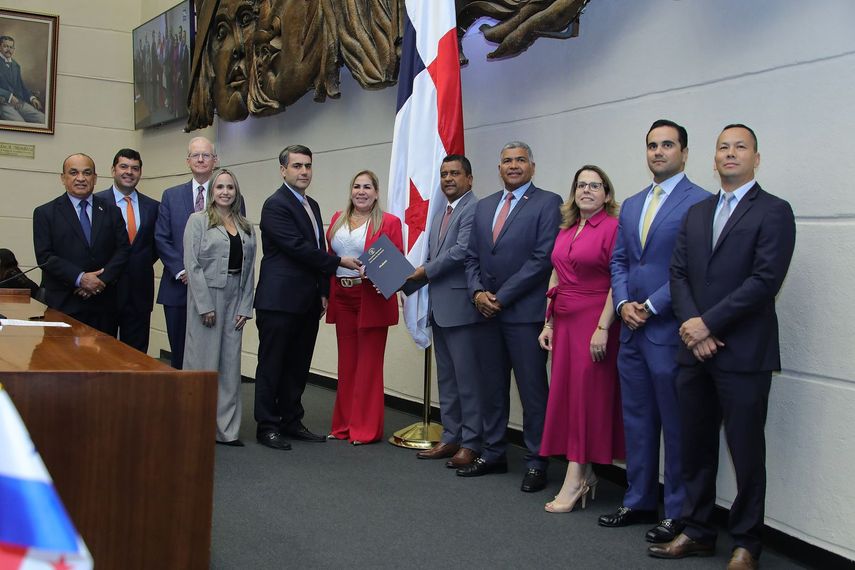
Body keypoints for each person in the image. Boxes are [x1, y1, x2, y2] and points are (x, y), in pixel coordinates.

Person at [648, 125, 796, 570]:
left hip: (743, 353)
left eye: (740, 148)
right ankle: (697, 531)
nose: (730, 154)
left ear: (756, 158)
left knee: (747, 451)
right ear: (712, 159)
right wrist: (695, 326)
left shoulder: (774, 211)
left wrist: (706, 324)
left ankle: (747, 543)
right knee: (694, 446)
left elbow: (765, 281)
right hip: (693, 351)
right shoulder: (697, 212)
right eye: (723, 148)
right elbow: (678, 274)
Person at [599, 120, 710, 541]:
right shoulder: (630, 203)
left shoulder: (700, 203)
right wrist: (625, 303)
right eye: (652, 145)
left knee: (677, 424)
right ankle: (639, 500)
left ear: (684, 152)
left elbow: (694, 268)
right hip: (630, 331)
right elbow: (620, 261)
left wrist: (649, 305)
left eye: (667, 145)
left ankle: (678, 511)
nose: (658, 152)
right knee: (638, 420)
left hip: (669, 331)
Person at [461, 141, 562, 492]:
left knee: (533, 391)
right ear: (499, 168)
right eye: (507, 161)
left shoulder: (549, 203)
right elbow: (471, 256)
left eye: (521, 160)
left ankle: (537, 461)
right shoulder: (486, 205)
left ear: (532, 166)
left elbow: (541, 259)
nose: (514, 166)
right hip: (484, 314)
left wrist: (500, 298)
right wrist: (476, 294)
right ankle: (493, 453)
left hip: (524, 315)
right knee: (492, 388)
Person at [254, 145, 361, 451]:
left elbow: (318, 248)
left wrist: (324, 291)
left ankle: (291, 420)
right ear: (283, 170)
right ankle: (267, 425)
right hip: (278, 301)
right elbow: (297, 247)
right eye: (297, 166)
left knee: (298, 365)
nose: (303, 172)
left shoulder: (311, 204)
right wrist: (339, 263)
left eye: (308, 166)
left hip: (307, 301)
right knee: (272, 364)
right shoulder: (275, 205)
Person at [538, 165, 623, 512]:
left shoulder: (614, 228)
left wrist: (603, 326)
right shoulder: (567, 229)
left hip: (594, 322)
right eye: (581, 185)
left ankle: (574, 478)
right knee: (569, 397)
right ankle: (585, 472)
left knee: (587, 400)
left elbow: (619, 279)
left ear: (606, 193)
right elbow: (556, 272)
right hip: (565, 321)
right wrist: (549, 324)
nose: (587, 190)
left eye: (595, 185)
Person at [409, 155, 484, 468]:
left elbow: (461, 251)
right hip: (440, 309)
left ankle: (471, 442)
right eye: (444, 174)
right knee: (448, 380)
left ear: (469, 178)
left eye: (455, 173)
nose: (448, 179)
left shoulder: (474, 208)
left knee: (468, 381)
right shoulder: (441, 211)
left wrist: (421, 272)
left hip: (462, 309)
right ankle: (450, 436)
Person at [325, 170, 403, 445]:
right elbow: (329, 258)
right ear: (351, 191)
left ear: (376, 192)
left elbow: (396, 263)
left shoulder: (389, 222)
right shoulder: (337, 220)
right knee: (346, 365)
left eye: (367, 187)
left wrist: (386, 280)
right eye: (356, 186)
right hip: (342, 298)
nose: (361, 191)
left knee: (369, 366)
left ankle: (365, 429)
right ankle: (344, 425)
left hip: (370, 298)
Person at [183, 169, 256, 447]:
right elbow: (193, 264)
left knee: (229, 366)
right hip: (207, 296)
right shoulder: (198, 221)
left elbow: (250, 271)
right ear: (212, 190)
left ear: (236, 192)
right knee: (202, 364)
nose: (225, 192)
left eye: (230, 187)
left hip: (235, 298)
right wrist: (204, 305)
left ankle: (226, 431)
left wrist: (245, 307)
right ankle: (195, 428)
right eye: (220, 187)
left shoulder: (247, 227)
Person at [32, 154, 130, 333]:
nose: (81, 178)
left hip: (103, 304)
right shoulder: (45, 213)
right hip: (63, 304)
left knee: (105, 359)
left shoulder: (111, 211)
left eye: (87, 173)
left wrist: (100, 280)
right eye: (73, 173)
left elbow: (123, 250)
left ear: (95, 178)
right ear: (63, 178)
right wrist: (80, 279)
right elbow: (45, 257)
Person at [155, 137, 221, 369]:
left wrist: (206, 275)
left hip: (215, 290)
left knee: (212, 355)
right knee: (180, 355)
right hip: (178, 288)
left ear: (216, 160)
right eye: (196, 155)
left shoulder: (228, 195)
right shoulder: (170, 196)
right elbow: (162, 238)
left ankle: (208, 405)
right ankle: (180, 404)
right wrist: (184, 271)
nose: (201, 159)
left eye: (206, 155)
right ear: (188, 161)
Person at [95, 149, 160, 354]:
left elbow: (157, 246)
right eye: (123, 167)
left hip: (139, 290)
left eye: (135, 168)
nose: (129, 172)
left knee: (136, 355)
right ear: (113, 170)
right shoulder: (96, 203)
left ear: (140, 172)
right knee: (101, 351)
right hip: (104, 290)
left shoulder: (154, 207)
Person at [0, 36, 46, 124]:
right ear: (0, 47)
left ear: (14, 49)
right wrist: (9, 96)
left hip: (19, 102)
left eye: (11, 47)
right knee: (20, 123)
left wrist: (32, 98)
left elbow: (21, 86)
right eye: (5, 46)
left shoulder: (16, 65)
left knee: (42, 118)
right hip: (3, 104)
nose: (8, 50)